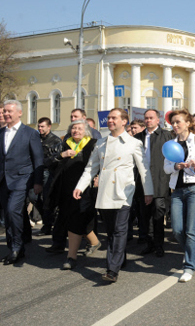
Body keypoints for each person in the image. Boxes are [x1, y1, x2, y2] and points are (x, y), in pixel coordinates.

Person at [73, 108, 153, 283]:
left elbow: (144, 169)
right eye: (109, 118)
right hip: (104, 192)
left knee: (119, 230)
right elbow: (90, 168)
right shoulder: (101, 143)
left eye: (114, 118)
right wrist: (80, 186)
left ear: (124, 121)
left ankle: (112, 269)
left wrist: (148, 191)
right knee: (111, 231)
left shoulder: (133, 143)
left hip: (124, 192)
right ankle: (120, 259)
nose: (110, 120)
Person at [164, 109, 195, 282]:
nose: (175, 125)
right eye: (173, 122)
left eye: (178, 122)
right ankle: (189, 251)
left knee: (192, 230)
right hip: (177, 190)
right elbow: (166, 168)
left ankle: (189, 266)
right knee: (177, 229)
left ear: (187, 123)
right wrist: (175, 167)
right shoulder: (171, 143)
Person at [46, 120, 100, 270]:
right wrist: (62, 155)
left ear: (86, 131)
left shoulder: (94, 144)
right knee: (70, 218)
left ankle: (72, 256)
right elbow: (49, 162)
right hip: (65, 188)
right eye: (73, 128)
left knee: (77, 218)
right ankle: (92, 243)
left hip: (84, 189)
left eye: (79, 128)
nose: (76, 130)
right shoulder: (64, 143)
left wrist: (98, 177)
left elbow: (101, 164)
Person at [0, 100, 44, 265]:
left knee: (13, 210)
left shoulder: (30, 133)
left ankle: (18, 247)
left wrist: (38, 182)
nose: (6, 114)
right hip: (3, 180)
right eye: (4, 111)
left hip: (22, 179)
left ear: (19, 113)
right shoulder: (1, 132)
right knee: (8, 215)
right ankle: (13, 247)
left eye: (9, 111)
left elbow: (38, 158)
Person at [133, 109, 173, 257]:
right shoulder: (137, 138)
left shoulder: (166, 136)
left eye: (151, 118)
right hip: (142, 182)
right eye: (146, 118)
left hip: (160, 182)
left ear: (158, 120)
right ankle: (149, 243)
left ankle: (159, 245)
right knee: (145, 216)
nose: (148, 120)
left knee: (158, 214)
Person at [36, 117, 62, 235]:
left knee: (46, 198)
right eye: (39, 126)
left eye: (42, 126)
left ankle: (47, 225)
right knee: (33, 197)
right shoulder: (36, 138)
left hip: (48, 171)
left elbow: (56, 159)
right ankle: (47, 219)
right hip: (36, 170)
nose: (40, 128)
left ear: (49, 127)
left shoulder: (55, 141)